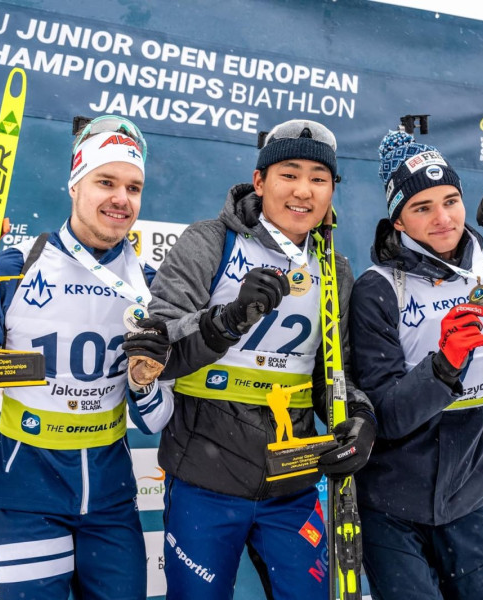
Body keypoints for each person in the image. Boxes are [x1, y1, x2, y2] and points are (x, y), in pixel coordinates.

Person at [0, 114, 173, 599]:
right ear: (75, 184)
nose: (121, 198)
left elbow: (154, 420)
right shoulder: (15, 268)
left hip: (111, 499)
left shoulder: (148, 287)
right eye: (106, 182)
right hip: (28, 494)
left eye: (133, 188)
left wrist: (144, 381)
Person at [146, 119, 376, 600]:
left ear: (332, 190)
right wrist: (225, 321)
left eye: (318, 178)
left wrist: (359, 417)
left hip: (291, 483)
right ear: (259, 181)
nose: (303, 191)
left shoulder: (334, 267)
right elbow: (157, 352)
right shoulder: (211, 241)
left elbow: (333, 376)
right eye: (288, 174)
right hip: (204, 480)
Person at [348, 130, 483, 600]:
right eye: (422, 207)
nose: (443, 218)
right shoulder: (378, 288)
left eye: (451, 201)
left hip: (469, 499)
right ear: (398, 220)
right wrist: (444, 365)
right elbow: (386, 414)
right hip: (390, 507)